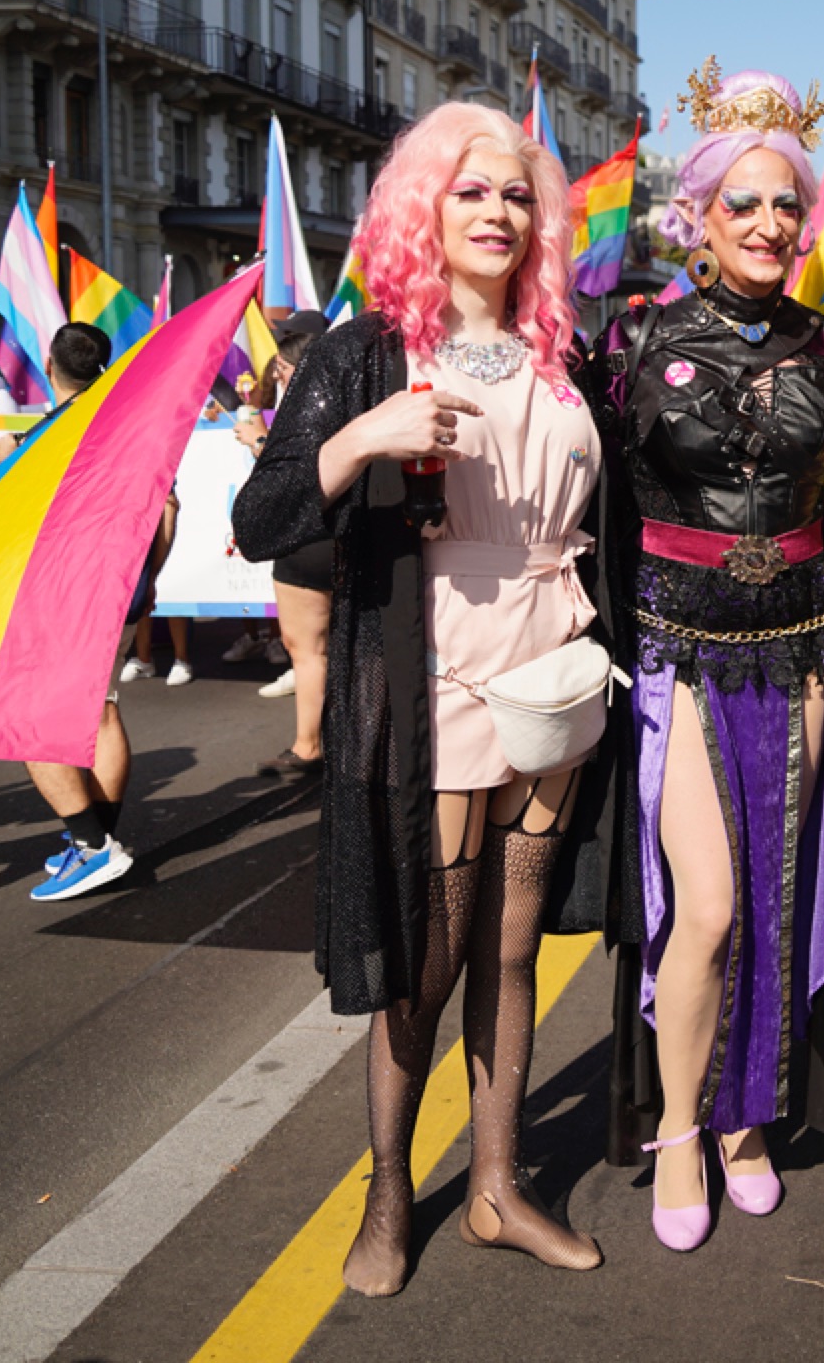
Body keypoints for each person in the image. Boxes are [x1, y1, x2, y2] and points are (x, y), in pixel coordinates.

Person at [234, 103, 606, 1293]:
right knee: (425, 958)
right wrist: (363, 439)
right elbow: (260, 520)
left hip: (552, 661)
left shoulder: (567, 350)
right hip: (431, 666)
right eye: (471, 192)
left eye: (514, 195)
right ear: (422, 212)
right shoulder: (361, 352)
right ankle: (389, 1191)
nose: (497, 212)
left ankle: (497, 1187)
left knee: (513, 949)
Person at [585, 64, 824, 1247]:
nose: (764, 224)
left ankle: (752, 1121)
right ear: (699, 215)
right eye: (741, 204)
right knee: (706, 905)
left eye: (784, 206)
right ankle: (682, 1129)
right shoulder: (634, 340)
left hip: (798, 648)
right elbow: (577, 486)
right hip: (680, 653)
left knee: (782, 897)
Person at [0, 323, 172, 901]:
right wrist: (148, 580)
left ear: (50, 367)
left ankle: (92, 845)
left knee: (29, 720)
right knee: (101, 711)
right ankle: (99, 841)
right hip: (117, 594)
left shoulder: (28, 443)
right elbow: (166, 511)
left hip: (58, 598)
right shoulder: (131, 437)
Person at [234, 312, 332, 774]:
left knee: (307, 646)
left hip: (308, 537)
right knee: (336, 646)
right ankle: (337, 744)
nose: (277, 372)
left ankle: (309, 746)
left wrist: (258, 443)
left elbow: (297, 476)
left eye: (281, 363)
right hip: (337, 535)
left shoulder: (309, 402)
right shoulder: (349, 392)